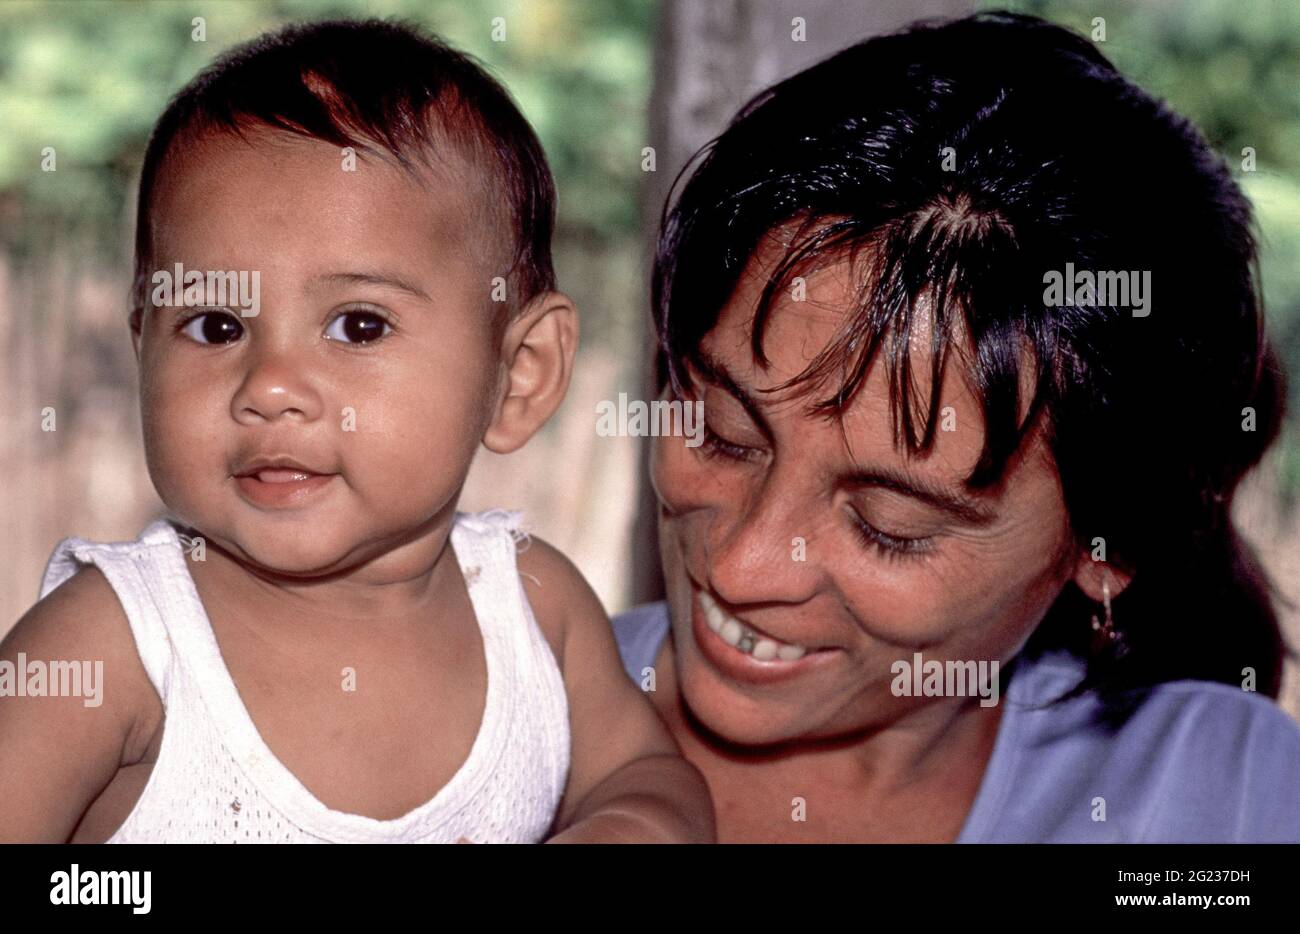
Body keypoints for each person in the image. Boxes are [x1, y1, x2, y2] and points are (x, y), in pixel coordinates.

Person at [0, 19, 713, 844]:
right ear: (141, 347)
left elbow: (651, 780)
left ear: (517, 377)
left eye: (359, 327)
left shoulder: (534, 610)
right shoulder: (113, 646)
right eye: (215, 326)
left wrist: (631, 824)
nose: (269, 387)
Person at [612, 11, 1300, 842]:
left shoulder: (1215, 800)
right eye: (722, 431)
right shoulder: (481, 722)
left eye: (890, 528)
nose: (742, 562)